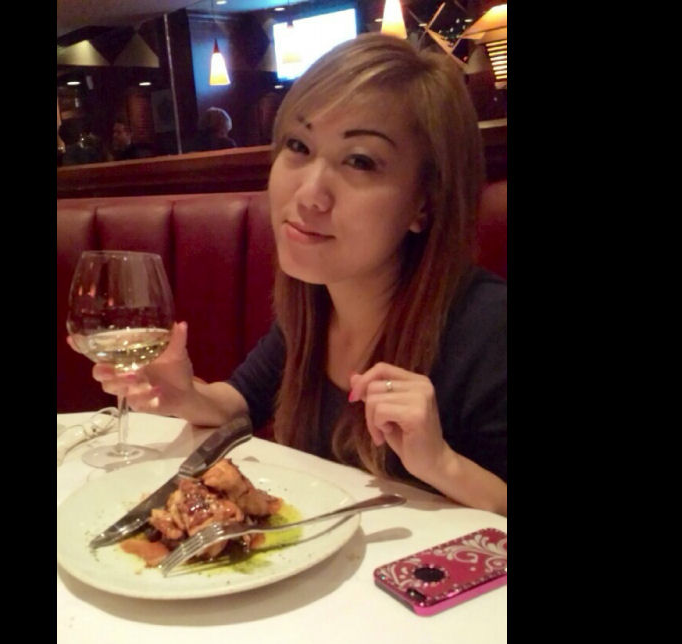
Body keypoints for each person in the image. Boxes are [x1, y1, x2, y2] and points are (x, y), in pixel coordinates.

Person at [73, 34, 507, 515]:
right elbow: (240, 401)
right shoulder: (315, 302)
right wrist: (185, 394)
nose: (309, 194)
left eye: (359, 161)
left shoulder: (489, 328)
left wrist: (443, 464)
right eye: (299, 145)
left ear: (424, 203)